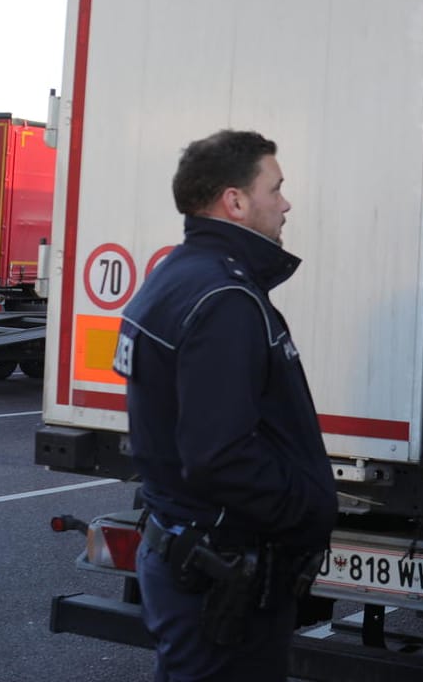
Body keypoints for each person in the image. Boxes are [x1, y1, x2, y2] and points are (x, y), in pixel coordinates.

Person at [112, 129, 336, 681]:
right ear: (234, 201)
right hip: (220, 574)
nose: (285, 204)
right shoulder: (224, 300)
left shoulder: (178, 275)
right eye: (275, 188)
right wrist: (308, 511)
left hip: (192, 559)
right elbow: (219, 455)